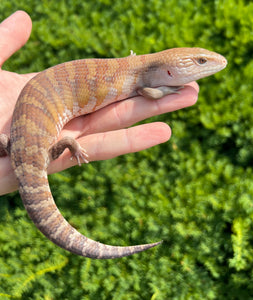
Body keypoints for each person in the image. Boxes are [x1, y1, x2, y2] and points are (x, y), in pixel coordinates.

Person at [0, 11, 199, 196]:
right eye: (200, 61)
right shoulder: (40, 154)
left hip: (28, 127)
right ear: (171, 71)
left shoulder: (139, 69)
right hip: (16, 144)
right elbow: (148, 92)